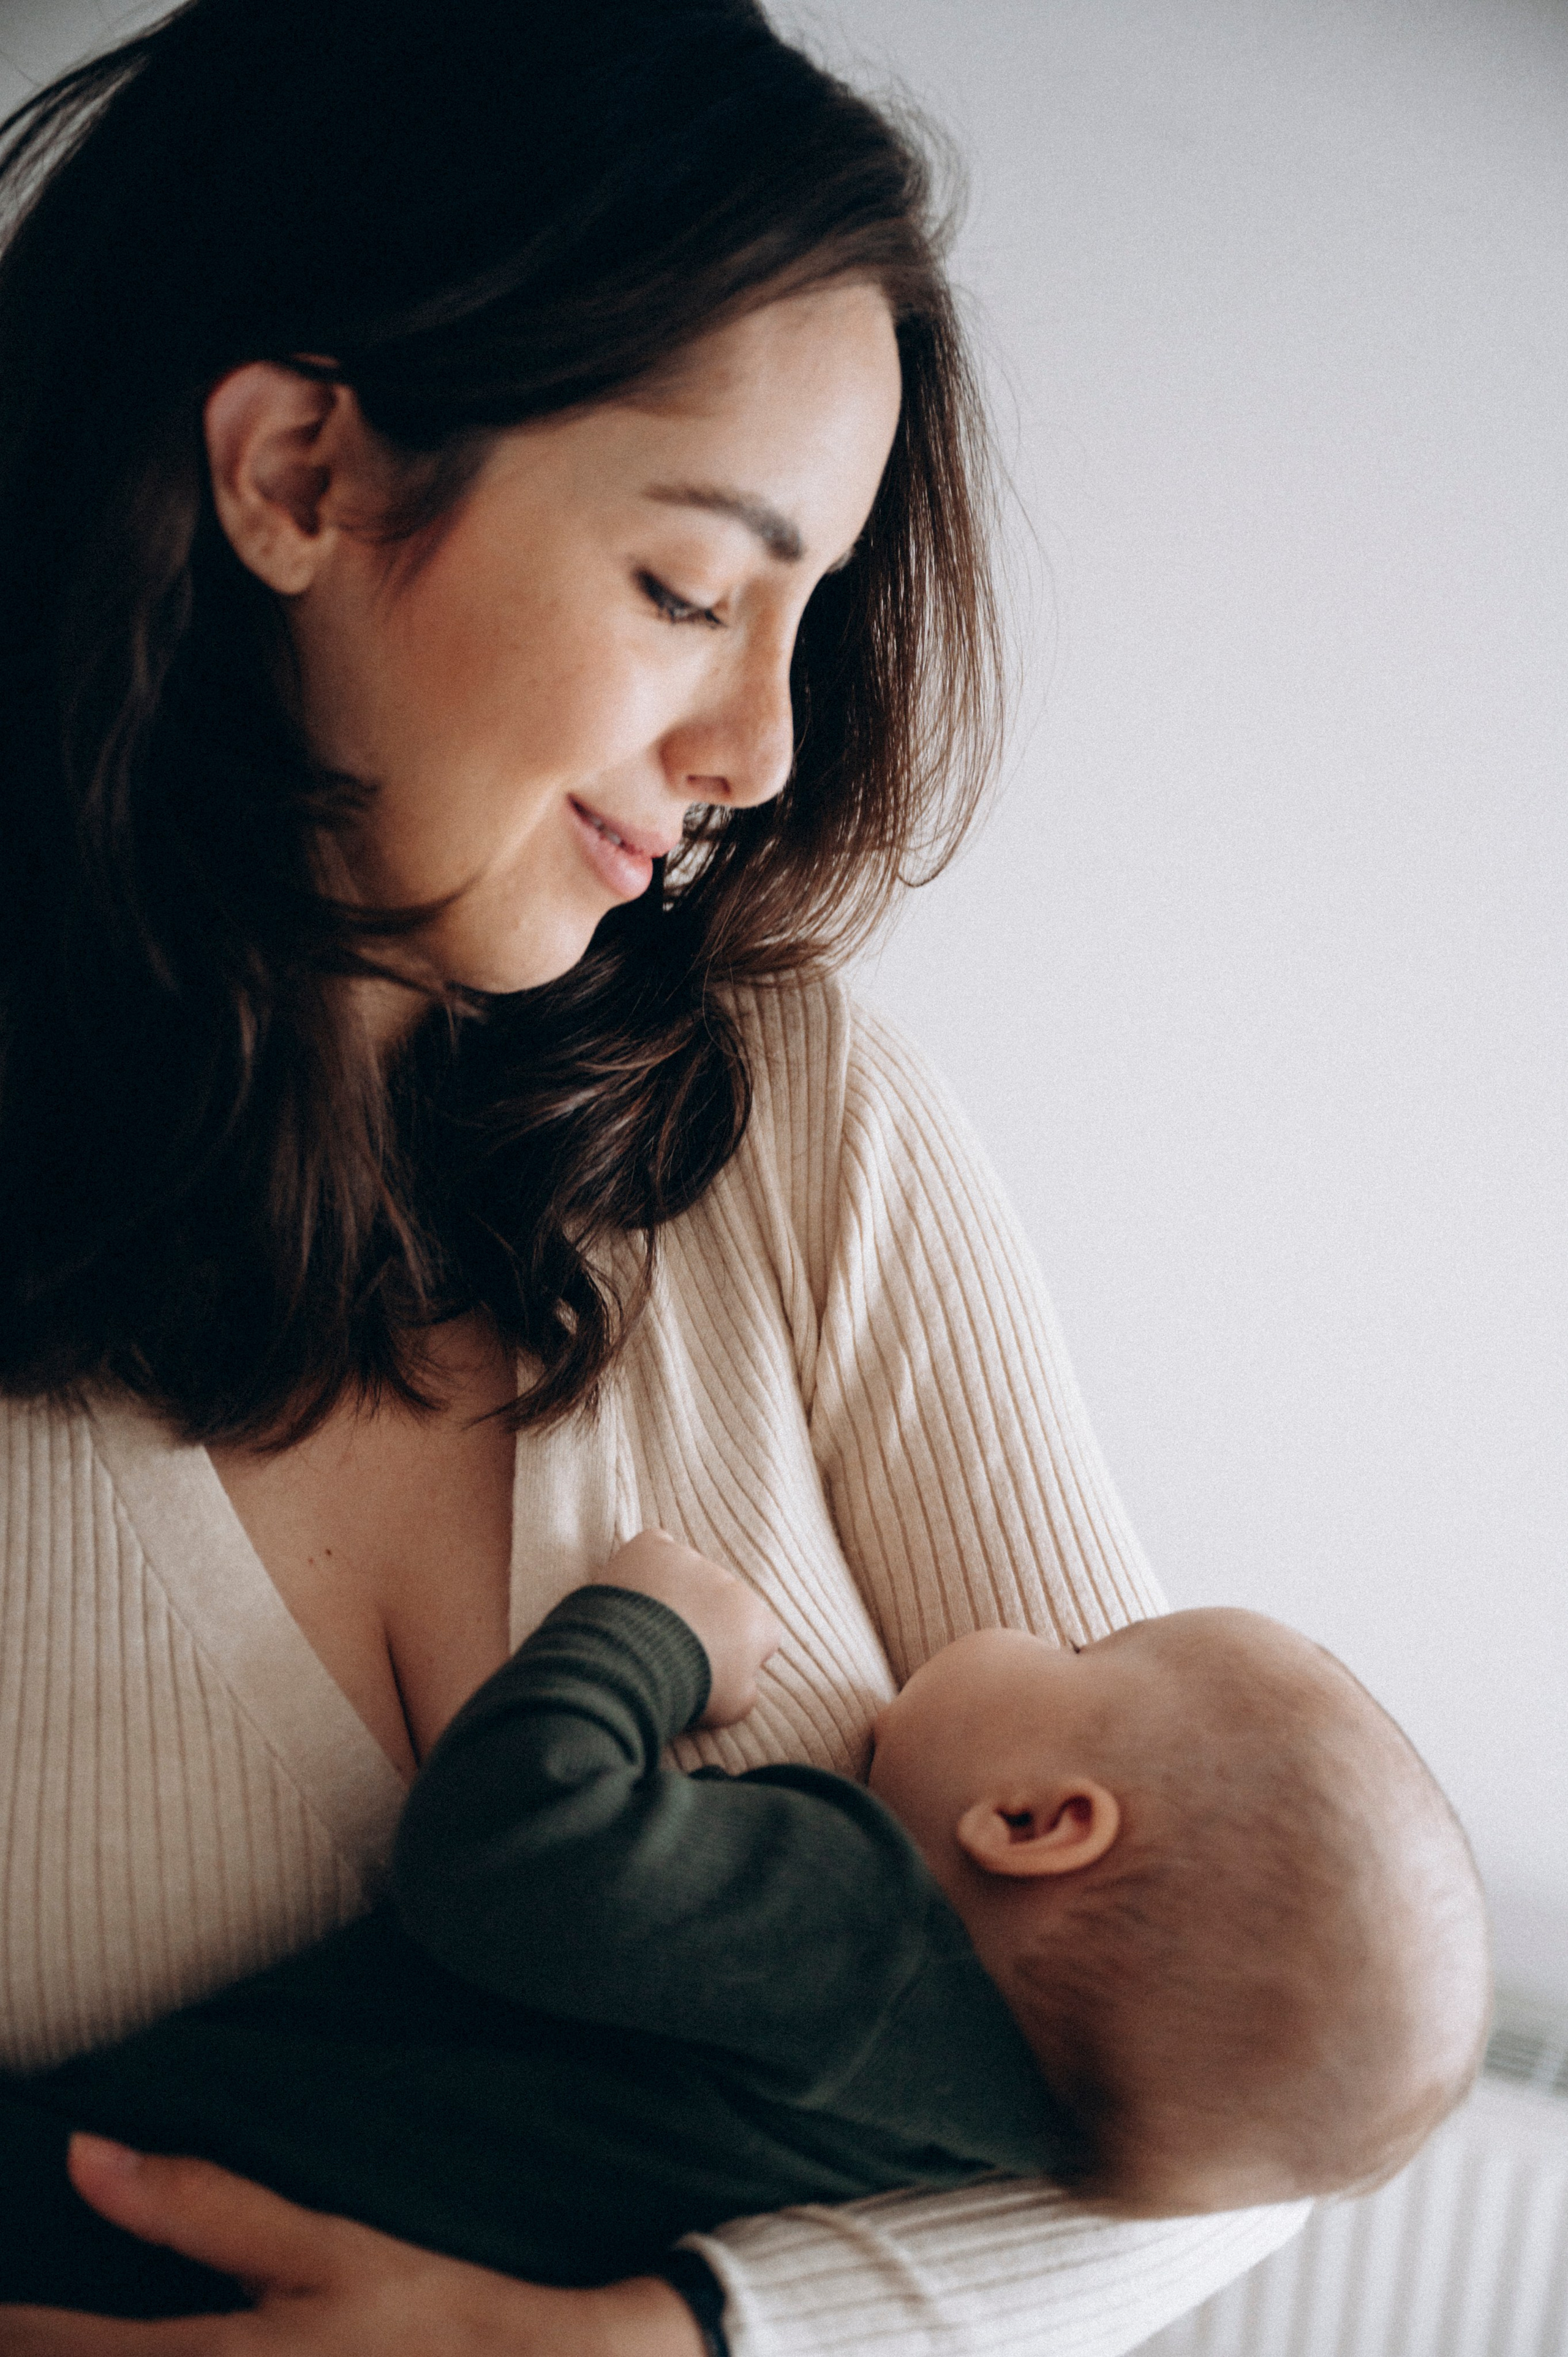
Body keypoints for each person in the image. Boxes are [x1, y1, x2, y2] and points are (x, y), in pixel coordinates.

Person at [0, 0, 1316, 2348]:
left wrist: (665, 2332)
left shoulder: (806, 1130)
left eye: (809, 616)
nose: (764, 749)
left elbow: (1238, 2087)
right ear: (298, 471)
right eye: (696, 590)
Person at [2, 1531, 1489, 2314]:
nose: (1044, 1619)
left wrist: (645, 1632)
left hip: (106, 2207)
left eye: (1082, 1648)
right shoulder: (971, 2132)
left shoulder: (850, 1933)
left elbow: (509, 1841)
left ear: (1035, 1824)